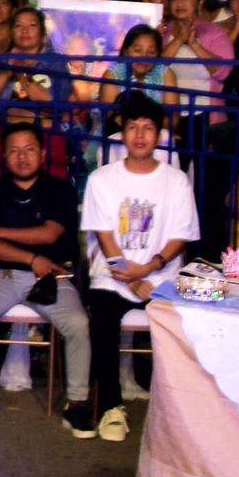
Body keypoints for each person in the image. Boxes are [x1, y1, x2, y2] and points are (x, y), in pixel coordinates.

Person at [0, 121, 92, 430]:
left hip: (51, 276)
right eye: (14, 150)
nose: (22, 157)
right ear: (4, 155)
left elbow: (49, 233)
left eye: (29, 150)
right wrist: (32, 258)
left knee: (78, 324)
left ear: (42, 154)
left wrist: (0, 232)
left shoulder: (60, 190)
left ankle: (77, 403)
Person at [81, 94, 198, 444]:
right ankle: (110, 407)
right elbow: (105, 238)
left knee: (189, 323)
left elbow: (180, 237)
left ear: (159, 135)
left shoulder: (176, 180)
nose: (140, 135)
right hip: (113, 277)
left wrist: (149, 269)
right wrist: (133, 280)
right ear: (122, 133)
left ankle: (178, 410)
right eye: (133, 127)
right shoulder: (102, 179)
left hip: (161, 277)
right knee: (102, 321)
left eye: (148, 128)